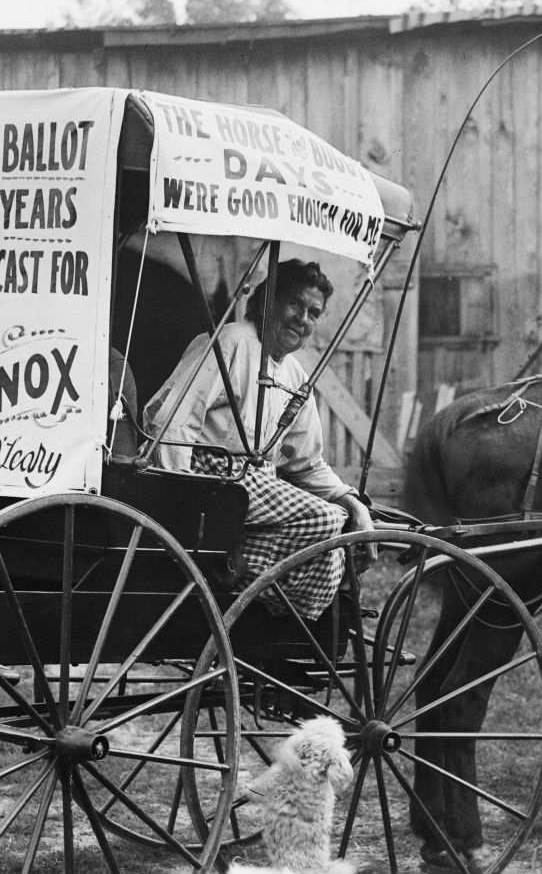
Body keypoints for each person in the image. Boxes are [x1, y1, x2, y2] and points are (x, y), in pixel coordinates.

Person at [142, 259, 373, 618]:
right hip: (208, 479)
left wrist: (353, 503)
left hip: (250, 487)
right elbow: (174, 420)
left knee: (336, 539)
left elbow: (306, 464)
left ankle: (276, 619)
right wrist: (181, 504)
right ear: (267, 301)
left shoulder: (295, 376)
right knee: (325, 521)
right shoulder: (231, 342)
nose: (303, 318)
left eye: (314, 313)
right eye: (295, 304)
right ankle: (234, 580)